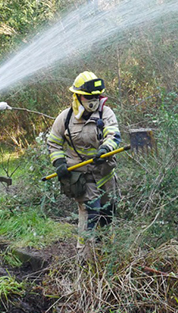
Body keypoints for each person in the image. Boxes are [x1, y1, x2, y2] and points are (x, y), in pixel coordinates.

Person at [46, 71, 122, 246]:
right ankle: (85, 255)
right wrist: (59, 163)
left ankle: (105, 252)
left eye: (96, 96)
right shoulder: (65, 118)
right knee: (90, 214)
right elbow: (54, 143)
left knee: (108, 215)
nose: (93, 100)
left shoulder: (106, 113)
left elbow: (113, 135)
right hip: (82, 177)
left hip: (105, 176)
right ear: (78, 96)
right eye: (88, 97)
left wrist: (105, 149)